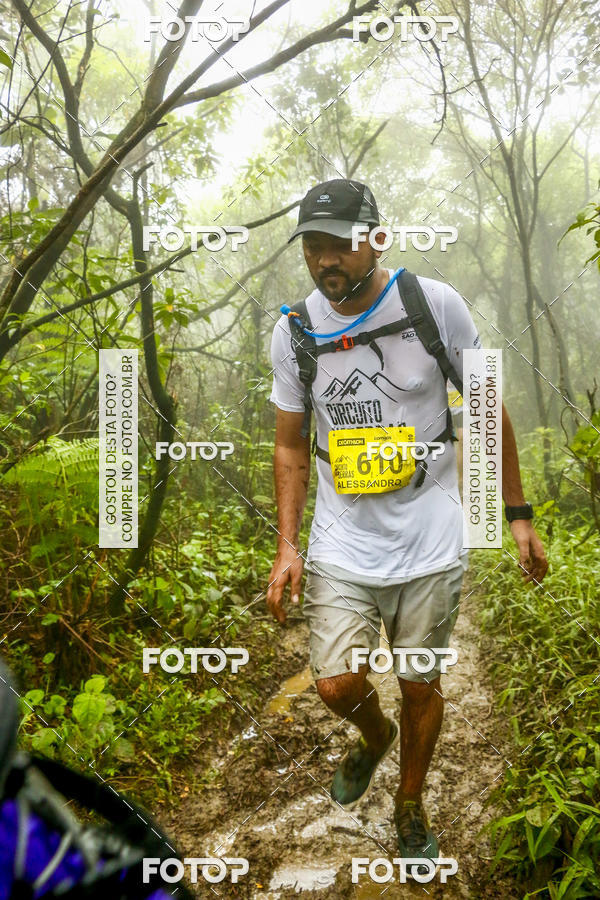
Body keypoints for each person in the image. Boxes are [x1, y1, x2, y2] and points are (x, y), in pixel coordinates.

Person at [266, 178, 549, 877]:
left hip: (429, 532)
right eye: (313, 246)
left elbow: (486, 406)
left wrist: (517, 517)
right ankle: (375, 733)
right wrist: (287, 545)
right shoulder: (295, 330)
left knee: (421, 682)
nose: (326, 259)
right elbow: (289, 445)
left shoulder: (433, 305)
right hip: (342, 535)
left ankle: (411, 804)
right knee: (335, 684)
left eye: (340, 244)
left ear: (377, 240)